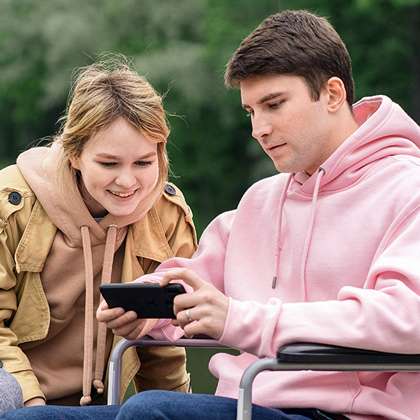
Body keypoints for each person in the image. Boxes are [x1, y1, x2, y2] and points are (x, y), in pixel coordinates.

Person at [96, 9, 420, 420]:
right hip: (248, 401)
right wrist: (145, 311)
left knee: (151, 412)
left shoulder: (408, 188)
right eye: (251, 111)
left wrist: (244, 320)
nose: (258, 128)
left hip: (344, 413)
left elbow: (409, 316)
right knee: (31, 419)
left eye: (274, 104)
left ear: (333, 94)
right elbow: (196, 283)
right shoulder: (261, 200)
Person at [0, 57, 197, 419]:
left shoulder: (167, 214)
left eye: (143, 163)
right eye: (109, 164)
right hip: (18, 393)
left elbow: (166, 341)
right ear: (75, 154)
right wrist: (33, 405)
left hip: (104, 407)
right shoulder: (11, 202)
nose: (128, 182)